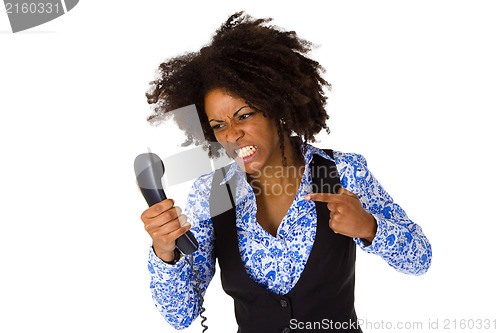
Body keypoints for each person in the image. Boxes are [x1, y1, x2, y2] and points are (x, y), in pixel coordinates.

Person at [140, 11, 432, 332]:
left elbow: (420, 259)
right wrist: (165, 252)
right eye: (218, 125)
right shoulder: (215, 191)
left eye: (244, 115)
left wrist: (369, 228)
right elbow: (179, 316)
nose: (231, 134)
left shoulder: (334, 173)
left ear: (277, 108)